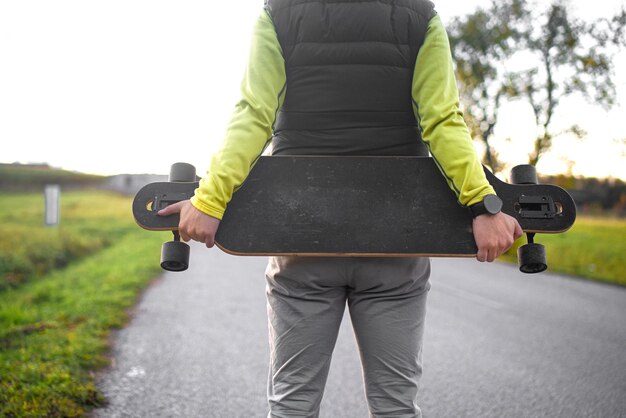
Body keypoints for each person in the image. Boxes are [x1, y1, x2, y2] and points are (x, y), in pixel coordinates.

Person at [159, 0, 522, 416]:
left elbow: (255, 114)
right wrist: (482, 204)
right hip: (395, 244)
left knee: (292, 403)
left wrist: (210, 199)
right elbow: (442, 119)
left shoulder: (279, 13)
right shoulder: (420, 16)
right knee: (395, 406)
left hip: (302, 241)